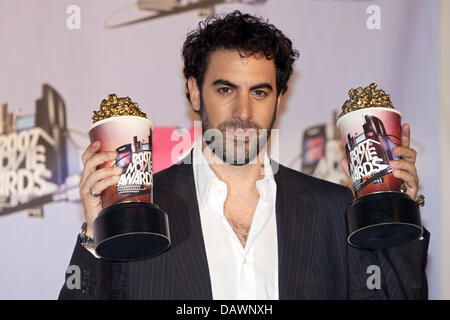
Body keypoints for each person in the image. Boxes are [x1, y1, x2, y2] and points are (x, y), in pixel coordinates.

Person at [59, 10, 429, 300]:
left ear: (279, 98)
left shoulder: (334, 208)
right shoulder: (140, 213)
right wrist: (95, 235)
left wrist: (400, 216)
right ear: (195, 91)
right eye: (225, 89)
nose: (243, 113)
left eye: (259, 92)